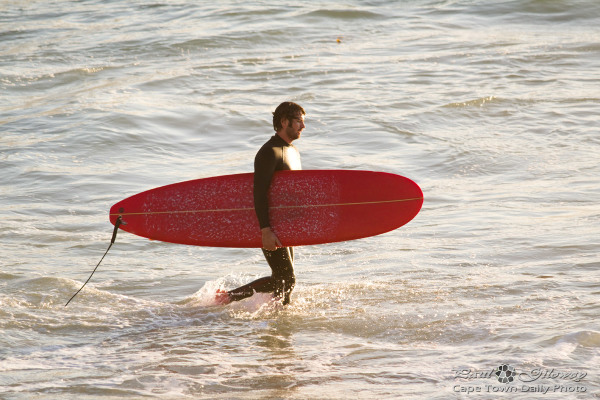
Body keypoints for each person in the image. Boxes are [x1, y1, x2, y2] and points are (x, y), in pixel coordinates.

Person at [215, 102, 306, 305]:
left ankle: (279, 319)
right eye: (299, 121)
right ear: (284, 122)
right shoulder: (269, 152)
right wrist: (265, 229)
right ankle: (227, 298)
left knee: (283, 281)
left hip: (284, 225)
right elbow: (259, 193)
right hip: (270, 225)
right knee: (287, 279)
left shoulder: (293, 152)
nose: (303, 126)